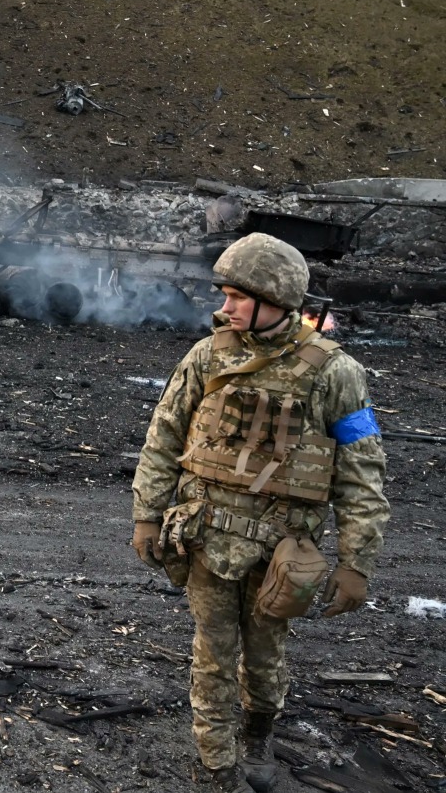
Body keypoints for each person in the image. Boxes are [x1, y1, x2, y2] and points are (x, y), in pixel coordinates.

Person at [130, 233, 389, 793]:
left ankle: (257, 735)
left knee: (267, 653)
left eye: (236, 297)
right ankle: (218, 764)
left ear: (276, 299)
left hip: (283, 549)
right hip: (206, 536)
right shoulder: (208, 355)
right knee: (213, 653)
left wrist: (355, 562)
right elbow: (164, 434)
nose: (223, 308)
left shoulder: (336, 373)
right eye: (224, 295)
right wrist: (147, 514)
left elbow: (362, 472)